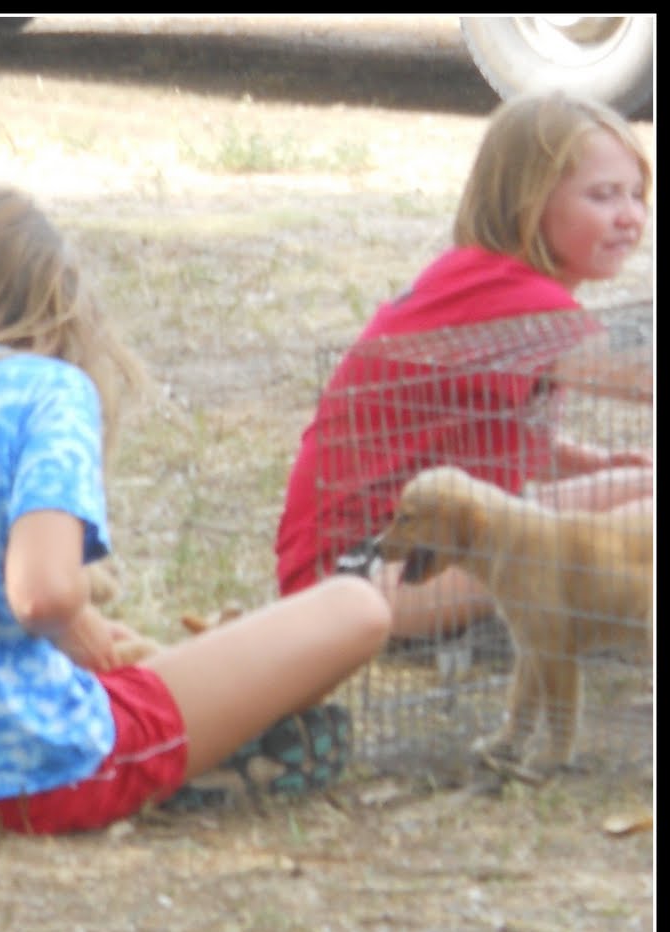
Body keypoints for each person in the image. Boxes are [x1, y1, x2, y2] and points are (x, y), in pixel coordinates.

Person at [0, 186, 391, 835]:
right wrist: (77, 627)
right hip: (17, 774)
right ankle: (226, 748)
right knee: (357, 607)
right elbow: (41, 595)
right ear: (57, 315)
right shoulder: (50, 389)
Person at [275, 91, 652, 639]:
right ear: (529, 201)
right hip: (358, 584)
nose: (629, 216)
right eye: (603, 196)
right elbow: (640, 377)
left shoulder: (486, 278)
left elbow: (488, 432)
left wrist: (595, 464)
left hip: (419, 552)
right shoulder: (507, 291)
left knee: (635, 486)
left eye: (638, 195)